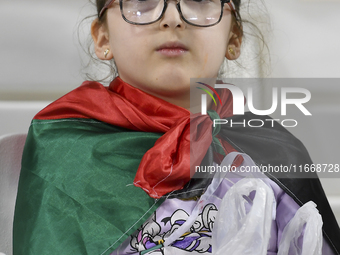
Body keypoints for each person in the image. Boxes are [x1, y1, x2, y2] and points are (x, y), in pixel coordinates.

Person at [13, 0, 340, 254]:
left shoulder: (276, 148)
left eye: (199, 0)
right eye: (142, 2)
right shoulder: (64, 143)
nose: (172, 19)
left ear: (234, 37)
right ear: (102, 38)